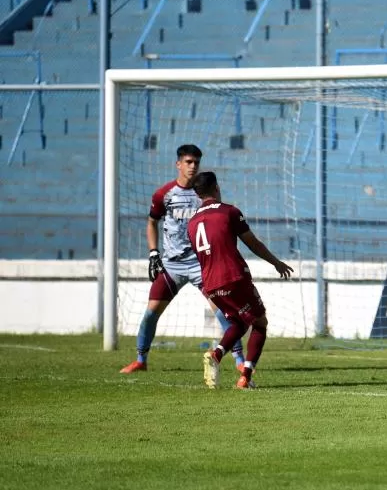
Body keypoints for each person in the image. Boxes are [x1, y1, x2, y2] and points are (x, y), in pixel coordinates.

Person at [120, 144, 245, 374]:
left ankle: (239, 360)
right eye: (188, 162)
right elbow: (151, 222)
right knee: (151, 312)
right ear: (178, 164)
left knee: (222, 311)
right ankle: (141, 360)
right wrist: (153, 252)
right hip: (171, 266)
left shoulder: (204, 194)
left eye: (196, 162)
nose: (193, 166)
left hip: (201, 266)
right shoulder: (164, 194)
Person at [188, 171, 293, 389]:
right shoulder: (229, 212)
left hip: (211, 285)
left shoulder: (192, 222)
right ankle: (245, 377)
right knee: (260, 323)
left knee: (238, 322)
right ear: (216, 187)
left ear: (198, 195)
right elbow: (252, 243)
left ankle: (216, 354)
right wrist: (276, 262)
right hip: (234, 278)